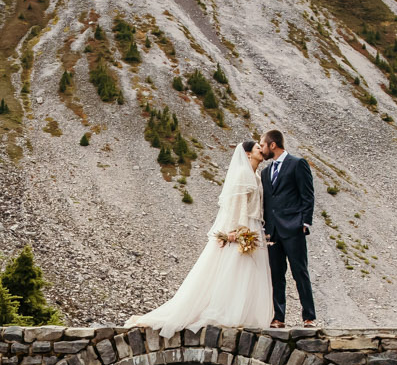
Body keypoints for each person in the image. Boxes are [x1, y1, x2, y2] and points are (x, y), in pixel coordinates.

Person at [125, 139, 272, 329]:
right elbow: (236, 205)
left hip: (254, 225)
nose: (261, 151)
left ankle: (243, 314)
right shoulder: (243, 173)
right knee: (236, 268)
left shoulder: (257, 175)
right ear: (247, 154)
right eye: (258, 148)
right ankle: (227, 312)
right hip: (243, 225)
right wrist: (237, 229)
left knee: (249, 271)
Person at [257, 128, 316, 326]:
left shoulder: (297, 164)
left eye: (263, 145)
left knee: (300, 272)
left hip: (293, 228)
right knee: (276, 275)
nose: (262, 149)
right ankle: (278, 317)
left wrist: (304, 223)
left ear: (273, 145)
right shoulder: (265, 172)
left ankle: (308, 316)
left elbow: (307, 195)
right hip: (272, 232)